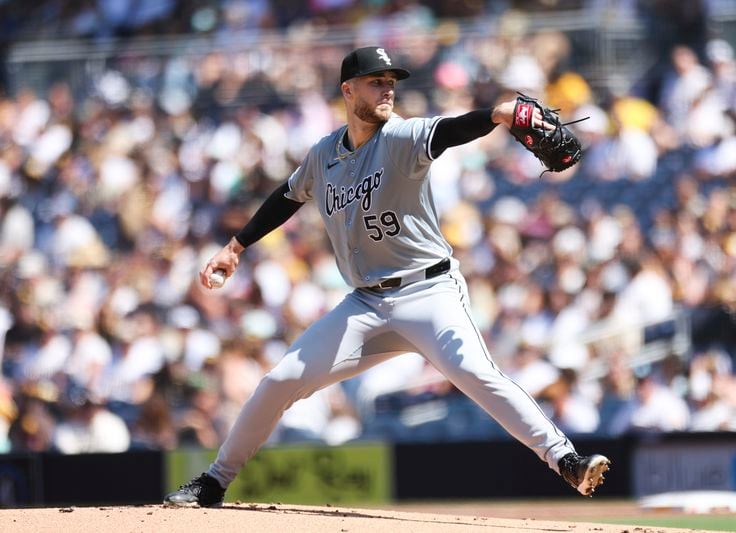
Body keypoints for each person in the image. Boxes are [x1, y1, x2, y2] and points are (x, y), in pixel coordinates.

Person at [164, 46, 610, 507]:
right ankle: (213, 482)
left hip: (428, 291)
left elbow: (448, 132)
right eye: (376, 81)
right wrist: (236, 246)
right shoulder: (324, 154)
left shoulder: (400, 137)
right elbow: (289, 195)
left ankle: (566, 461)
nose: (388, 88)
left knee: (478, 374)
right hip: (365, 305)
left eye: (391, 81)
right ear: (348, 89)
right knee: (279, 381)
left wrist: (496, 114)